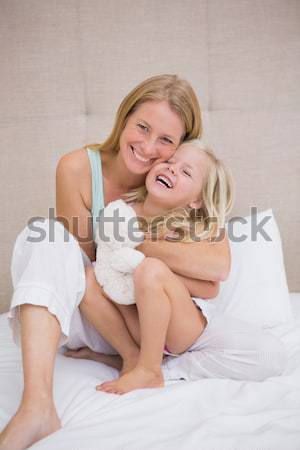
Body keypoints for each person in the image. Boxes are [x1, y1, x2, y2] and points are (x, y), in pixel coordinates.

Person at [0, 75, 287, 450]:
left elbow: (215, 274)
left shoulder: (187, 199)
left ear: (183, 148)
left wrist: (139, 241)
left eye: (166, 141)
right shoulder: (82, 172)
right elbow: (88, 265)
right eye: (142, 127)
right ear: (124, 119)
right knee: (44, 236)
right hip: (102, 306)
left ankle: (149, 364)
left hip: (162, 317)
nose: (149, 148)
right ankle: (42, 403)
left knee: (262, 351)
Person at [67, 139, 234, 395]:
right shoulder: (123, 212)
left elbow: (212, 288)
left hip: (179, 330)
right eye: (168, 162)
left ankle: (151, 370)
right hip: (138, 326)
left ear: (197, 200)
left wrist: (141, 252)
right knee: (86, 277)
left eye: (186, 172)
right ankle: (131, 357)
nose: (171, 169)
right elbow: (107, 267)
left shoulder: (190, 227)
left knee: (150, 270)